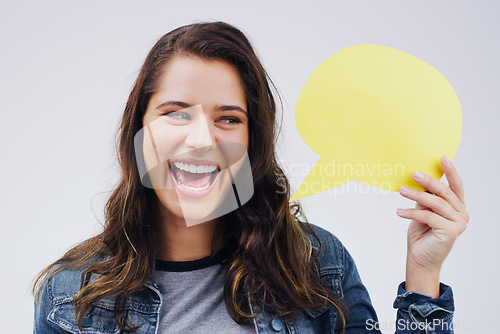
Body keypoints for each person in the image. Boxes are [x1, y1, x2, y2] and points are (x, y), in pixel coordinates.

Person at [32, 21, 469, 334]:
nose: (201, 140)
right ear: (139, 130)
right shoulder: (70, 294)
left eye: (228, 118)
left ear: (252, 143)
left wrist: (423, 276)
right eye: (176, 113)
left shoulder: (318, 265)